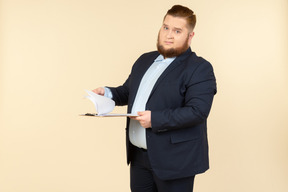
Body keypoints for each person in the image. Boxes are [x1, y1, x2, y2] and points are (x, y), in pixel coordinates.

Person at [93, 5, 217, 192]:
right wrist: (107, 93)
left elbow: (197, 112)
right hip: (138, 158)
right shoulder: (144, 60)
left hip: (175, 161)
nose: (168, 35)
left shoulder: (200, 68)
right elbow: (128, 92)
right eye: (165, 28)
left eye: (177, 31)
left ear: (190, 37)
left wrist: (155, 119)